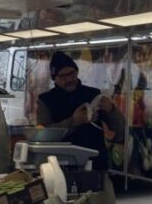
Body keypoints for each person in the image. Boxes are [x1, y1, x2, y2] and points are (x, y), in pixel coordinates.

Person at [36, 52, 125, 194]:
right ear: (54, 78)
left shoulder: (93, 94)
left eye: (71, 73)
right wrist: (73, 121)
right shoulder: (46, 100)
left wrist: (112, 110)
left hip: (96, 163)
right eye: (63, 76)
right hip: (61, 167)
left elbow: (120, 127)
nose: (69, 79)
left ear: (77, 71)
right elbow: (43, 133)